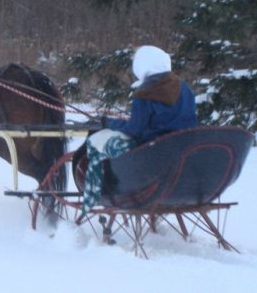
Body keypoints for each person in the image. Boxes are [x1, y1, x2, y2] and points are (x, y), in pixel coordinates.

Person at [82, 45, 198, 215]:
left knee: (96, 142)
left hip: (152, 154)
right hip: (183, 150)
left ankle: (97, 192)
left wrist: (108, 122)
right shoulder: (185, 88)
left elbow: (134, 130)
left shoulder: (145, 92)